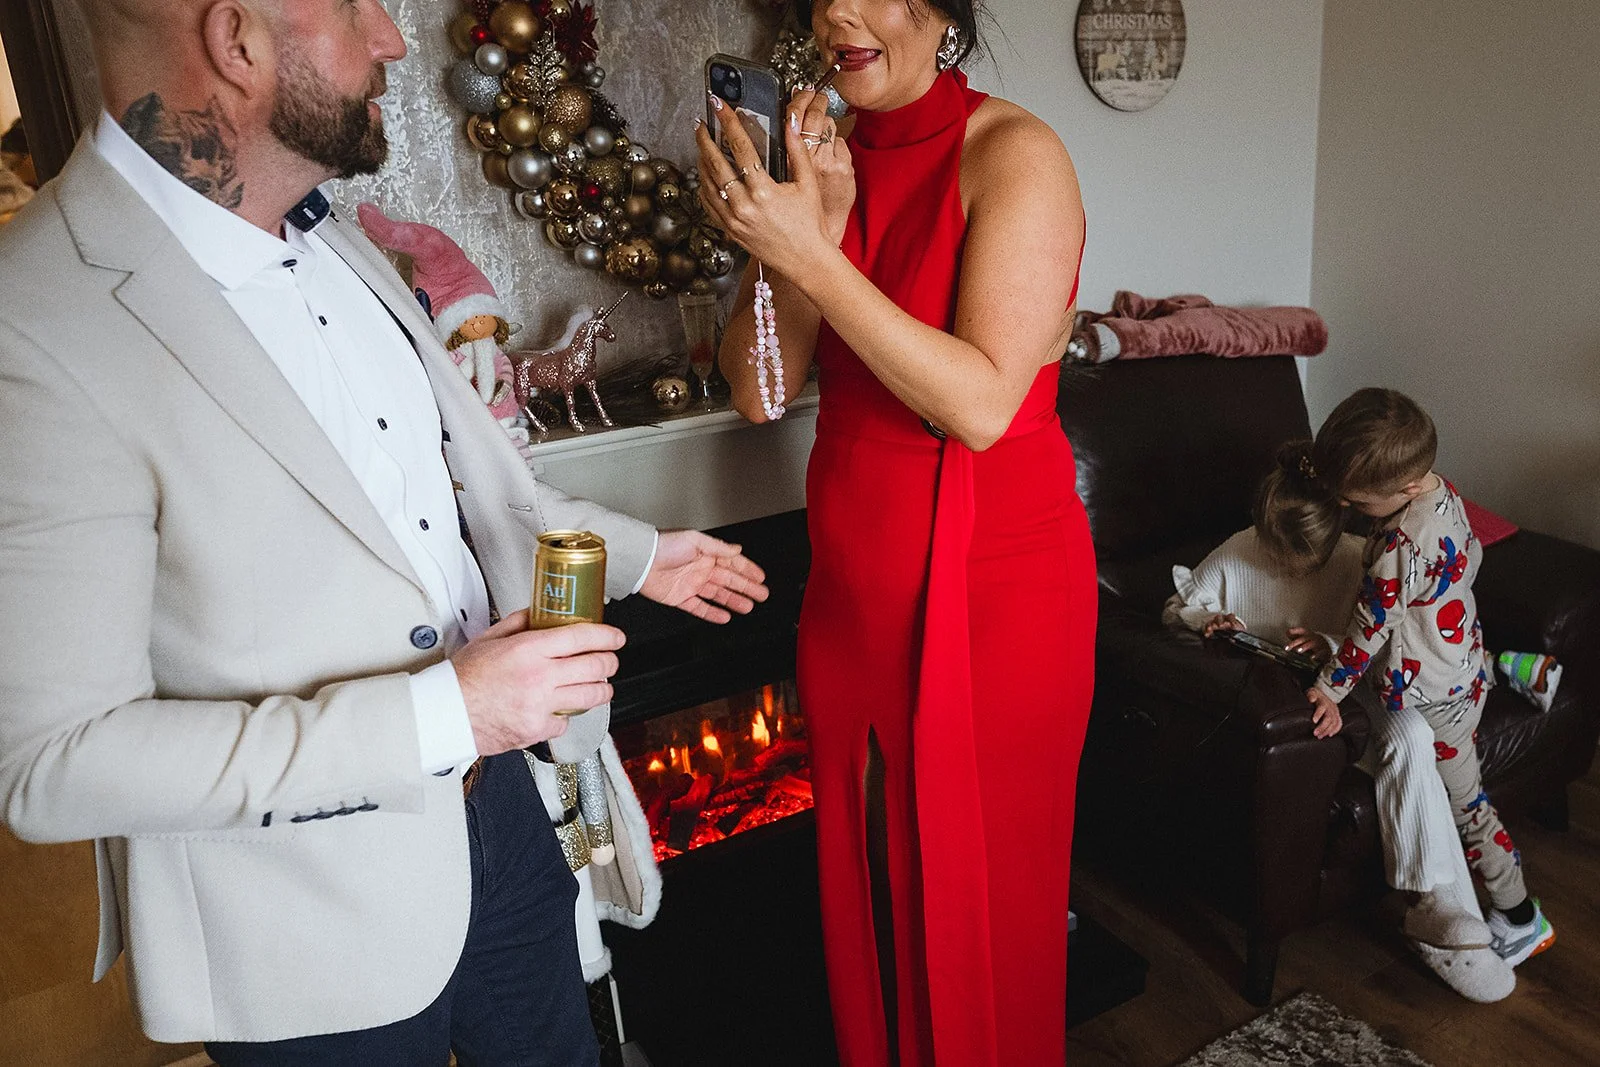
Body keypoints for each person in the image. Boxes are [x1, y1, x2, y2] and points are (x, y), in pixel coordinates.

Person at [0, 1, 767, 1064]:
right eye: (361, 9)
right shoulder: (33, 318)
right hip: (300, 927)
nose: (395, 39)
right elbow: (56, 762)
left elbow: (466, 502)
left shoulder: (344, 245)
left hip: (502, 822)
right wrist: (445, 711)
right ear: (237, 43)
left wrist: (646, 555)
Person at [695, 1, 1095, 1063]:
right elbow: (756, 392)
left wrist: (814, 256)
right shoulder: (817, 158)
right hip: (855, 592)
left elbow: (977, 406)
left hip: (994, 594)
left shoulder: (1015, 154)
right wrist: (794, 235)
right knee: (869, 902)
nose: (836, 11)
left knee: (979, 915)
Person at [1166, 448, 1517, 1002]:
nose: (1296, 565)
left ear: (1338, 527)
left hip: (1350, 689)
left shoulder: (1358, 558)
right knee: (1410, 740)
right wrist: (1207, 618)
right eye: (1283, 551)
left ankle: (1434, 905)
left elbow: (1377, 647)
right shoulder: (1237, 552)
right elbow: (1177, 606)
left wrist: (1328, 646)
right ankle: (1445, 916)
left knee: (1415, 735)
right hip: (1283, 704)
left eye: (1311, 553)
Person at [1279, 388, 1556, 974]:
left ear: (1404, 488)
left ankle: (1521, 916)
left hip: (1439, 697)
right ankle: (1510, 664)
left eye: (1356, 501)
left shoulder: (1399, 549)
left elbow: (1368, 632)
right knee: (1461, 661)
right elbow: (1471, 558)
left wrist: (1329, 688)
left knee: (1469, 806)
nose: (1350, 508)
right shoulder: (1443, 490)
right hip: (1459, 651)